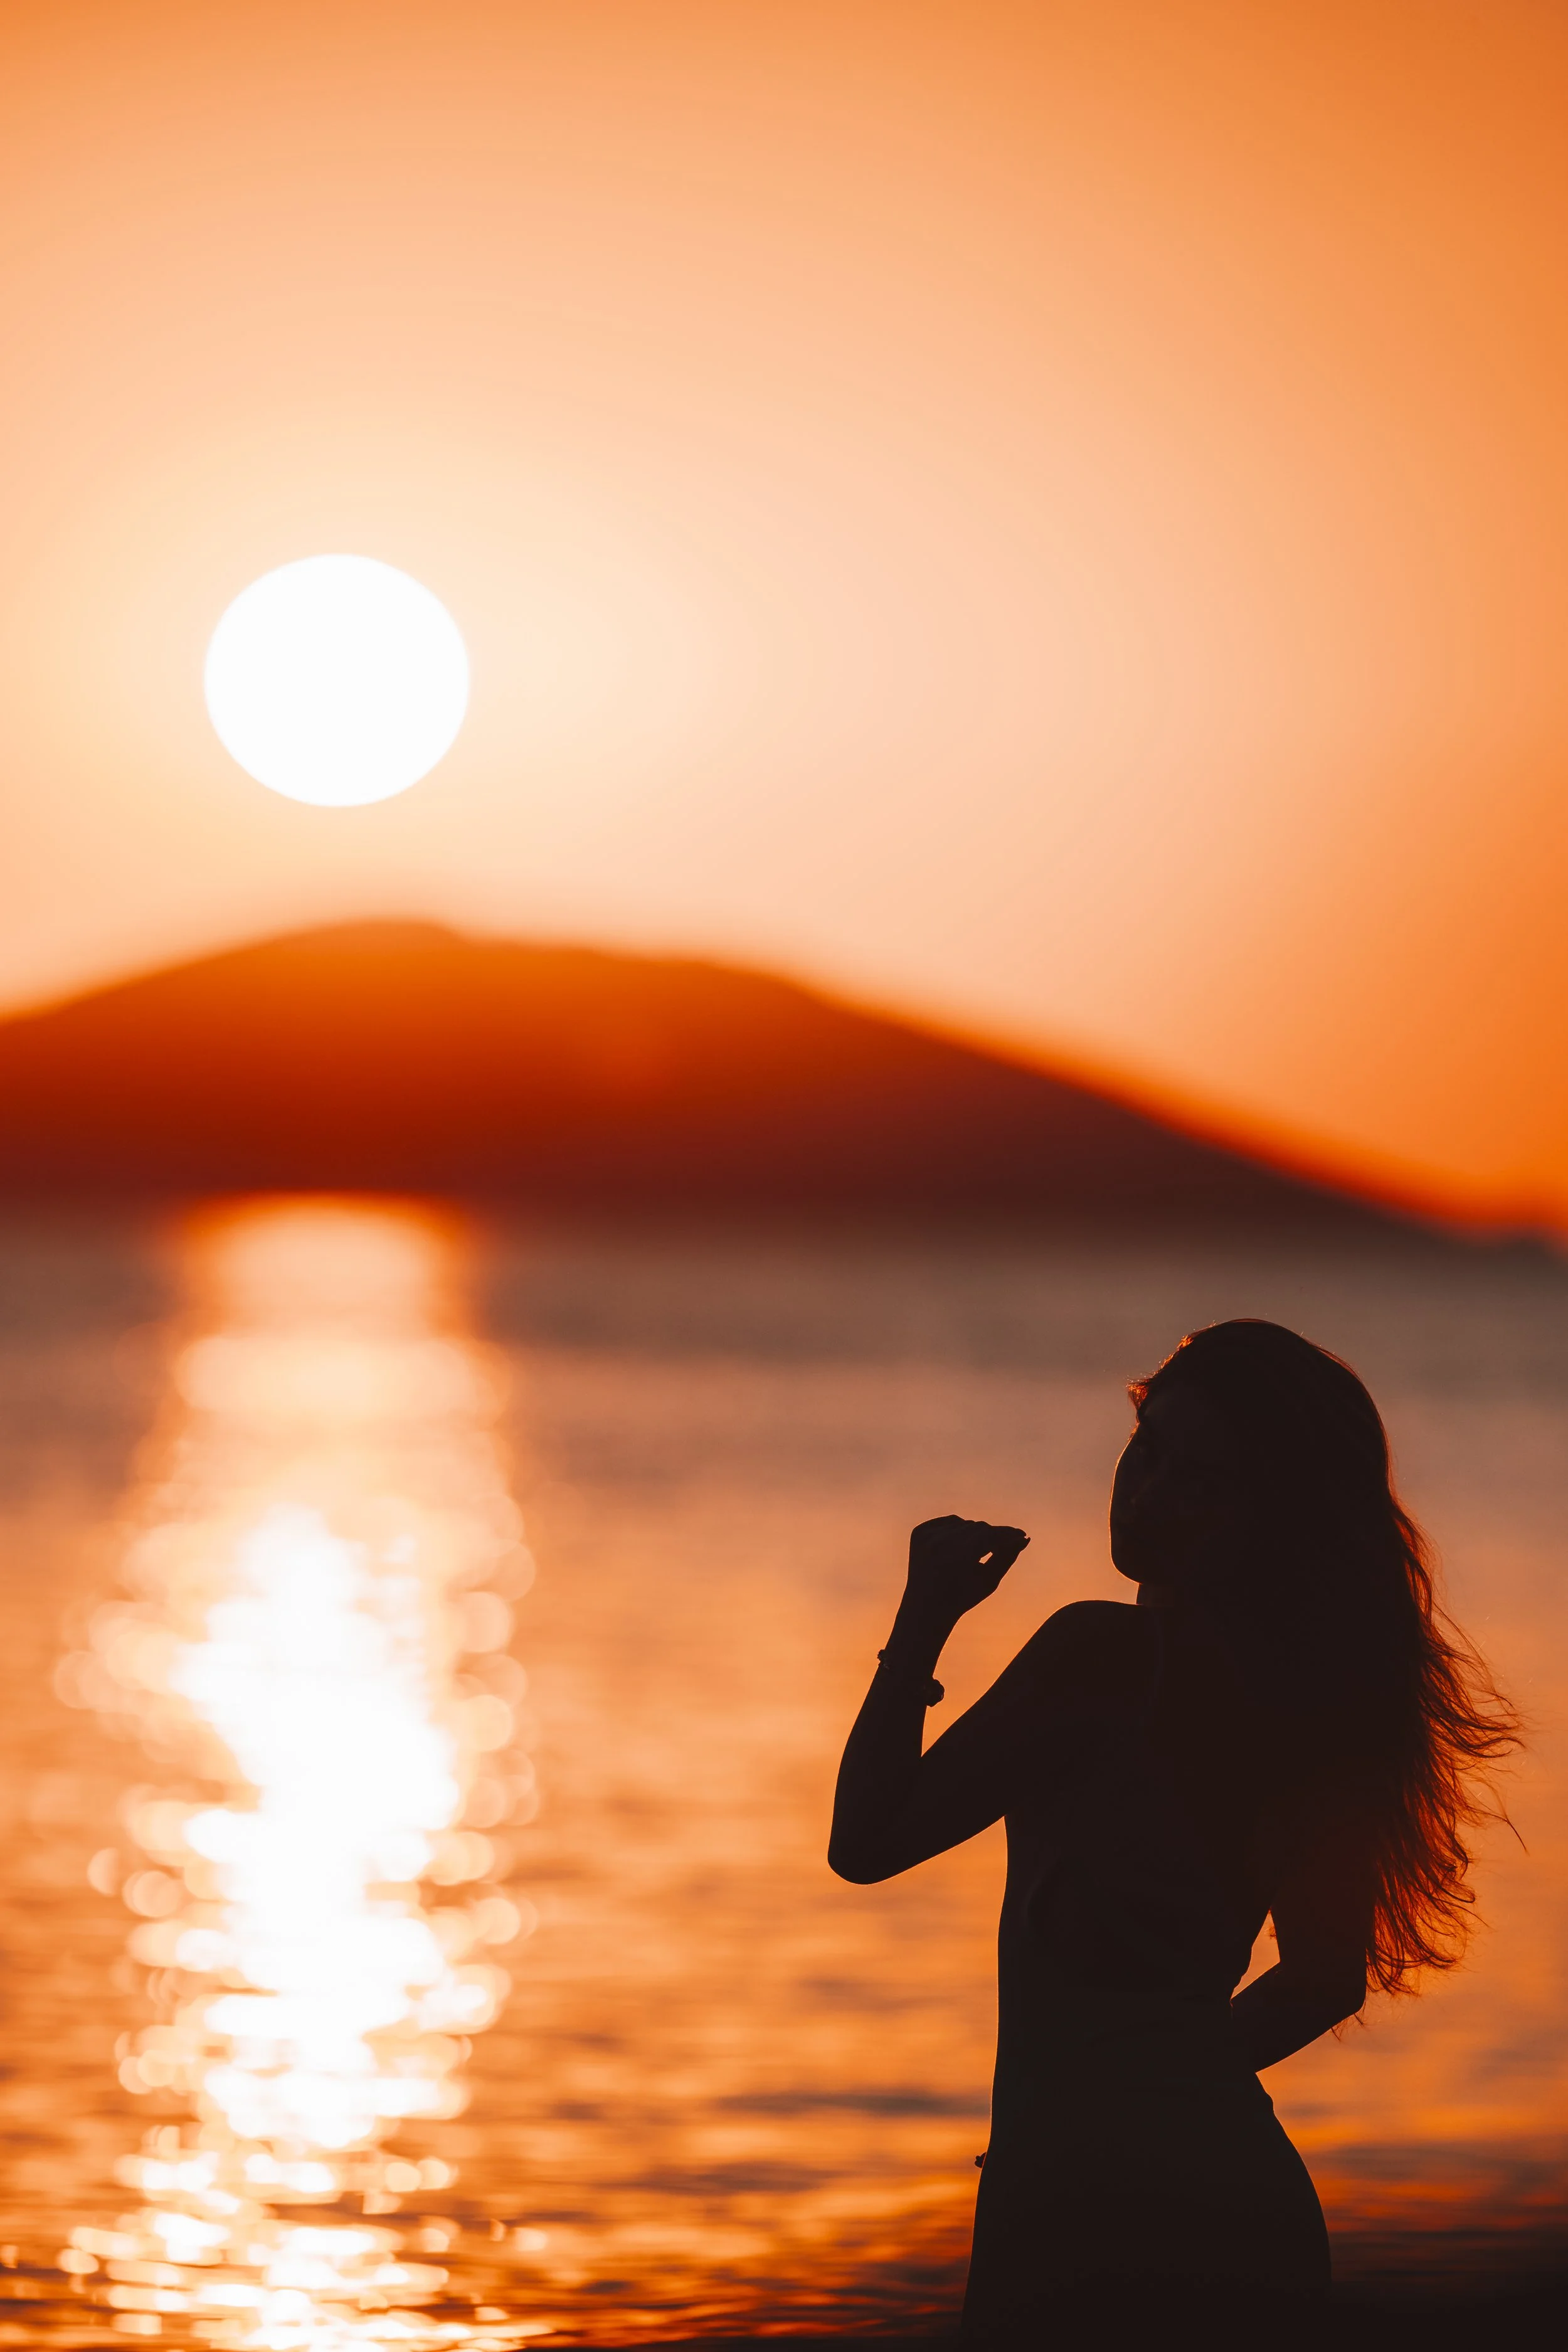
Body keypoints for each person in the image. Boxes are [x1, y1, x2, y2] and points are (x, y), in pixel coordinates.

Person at [829, 1319, 1518, 2341]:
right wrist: (1164, 2084)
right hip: (1243, 2202)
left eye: (1201, 1480)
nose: (1149, 1492)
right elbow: (1327, 1975)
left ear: (1266, 1519)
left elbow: (867, 1840)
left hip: (1082, 2208)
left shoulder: (1102, 1655)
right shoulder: (1310, 1701)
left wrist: (926, 1616)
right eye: (1149, 1449)